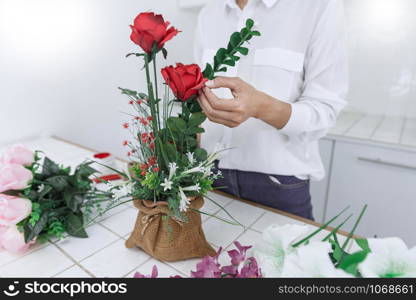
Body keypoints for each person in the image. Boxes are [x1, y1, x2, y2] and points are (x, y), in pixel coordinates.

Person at [194, 0, 348, 220]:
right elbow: (197, 99)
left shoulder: (319, 6)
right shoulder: (208, 13)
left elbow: (325, 111)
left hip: (278, 185)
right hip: (208, 176)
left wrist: (261, 107)